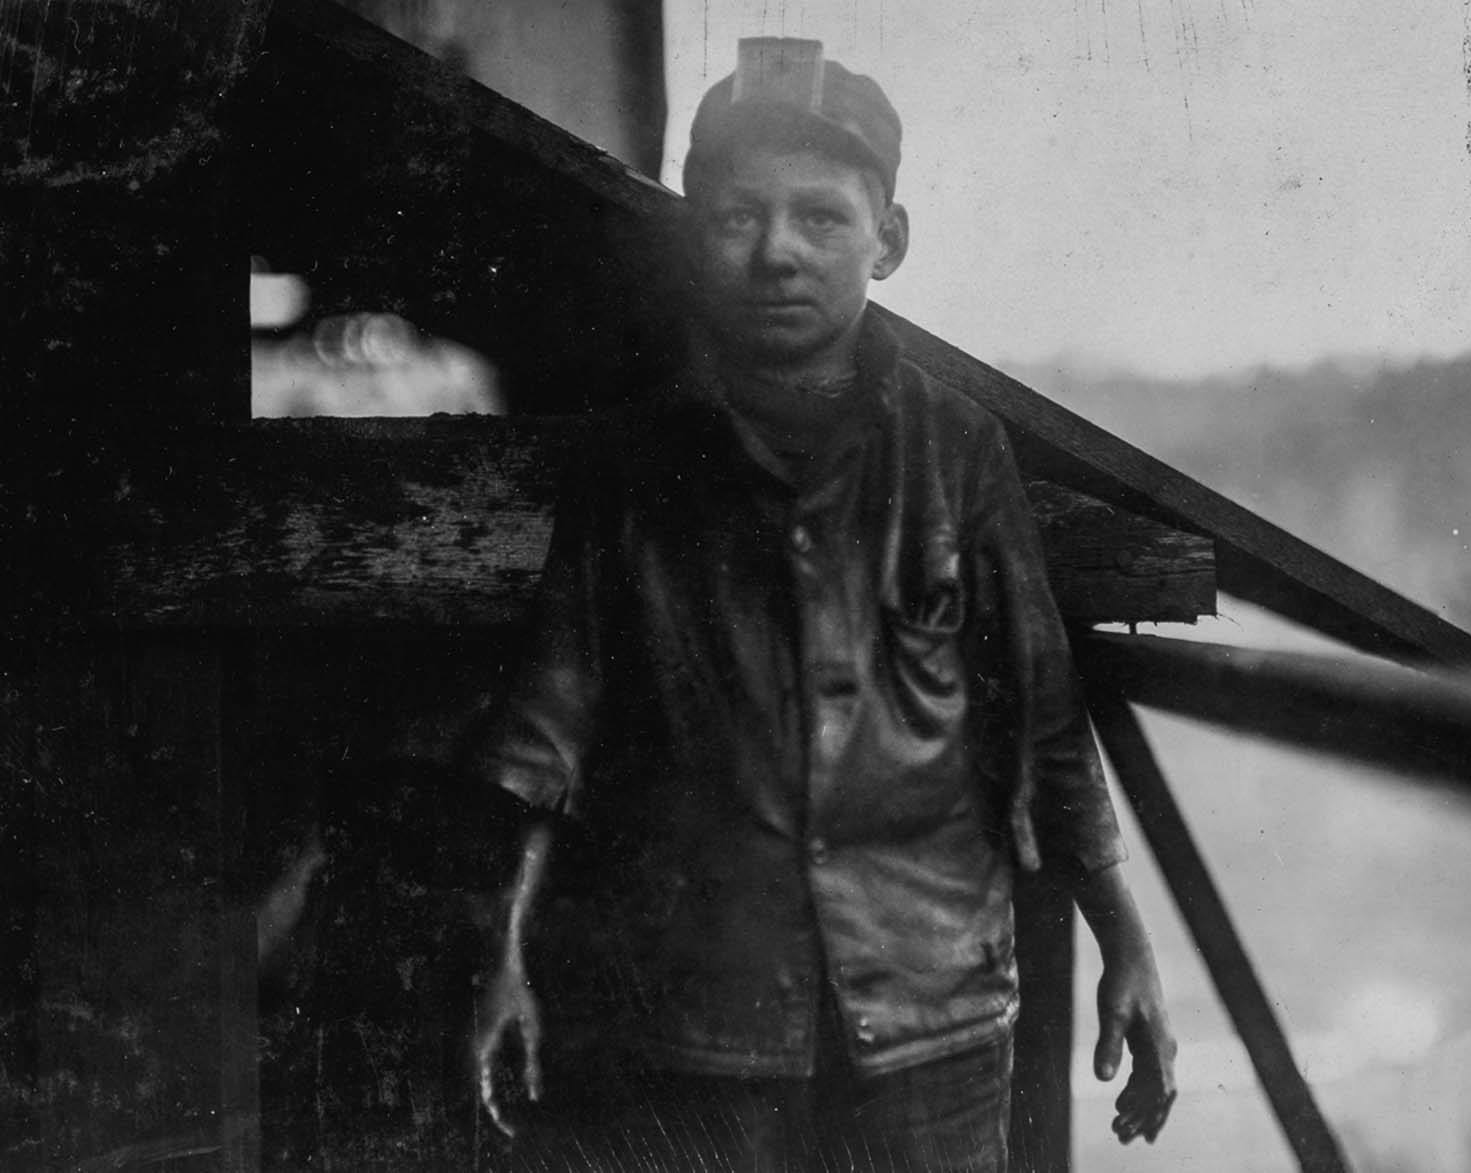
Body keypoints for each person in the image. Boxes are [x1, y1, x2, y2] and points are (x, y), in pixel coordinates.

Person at [469, 37, 1176, 1171]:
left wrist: (1127, 945)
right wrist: (497, 958)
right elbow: (544, 735)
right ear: (696, 236)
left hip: (932, 1017)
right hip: (692, 1020)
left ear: (885, 242)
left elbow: (1045, 724)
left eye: (821, 219)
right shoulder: (627, 469)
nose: (778, 254)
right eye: (738, 217)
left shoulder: (957, 454)